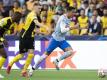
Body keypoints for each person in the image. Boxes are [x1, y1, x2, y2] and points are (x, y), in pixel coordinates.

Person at [28, 6, 78, 77]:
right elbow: (63, 30)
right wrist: (74, 27)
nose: (74, 14)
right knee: (44, 56)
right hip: (55, 39)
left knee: (70, 51)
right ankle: (32, 69)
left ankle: (56, 60)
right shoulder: (63, 18)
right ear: (68, 12)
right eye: (73, 12)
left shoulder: (69, 19)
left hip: (62, 40)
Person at [6, 3, 46, 77]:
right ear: (34, 8)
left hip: (31, 36)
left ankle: (24, 71)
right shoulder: (32, 14)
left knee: (31, 54)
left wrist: (43, 32)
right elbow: (37, 23)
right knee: (21, 55)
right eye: (38, 8)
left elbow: (35, 29)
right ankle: (10, 64)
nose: (40, 10)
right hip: (24, 35)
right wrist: (46, 27)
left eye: (41, 9)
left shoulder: (37, 16)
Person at [0, 12, 22, 78]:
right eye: (19, 18)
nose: (19, 19)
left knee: (4, 55)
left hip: (0, 38)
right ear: (15, 16)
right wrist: (2, 40)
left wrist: (11, 32)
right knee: (4, 55)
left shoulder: (13, 24)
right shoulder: (5, 21)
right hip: (0, 39)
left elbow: (7, 31)